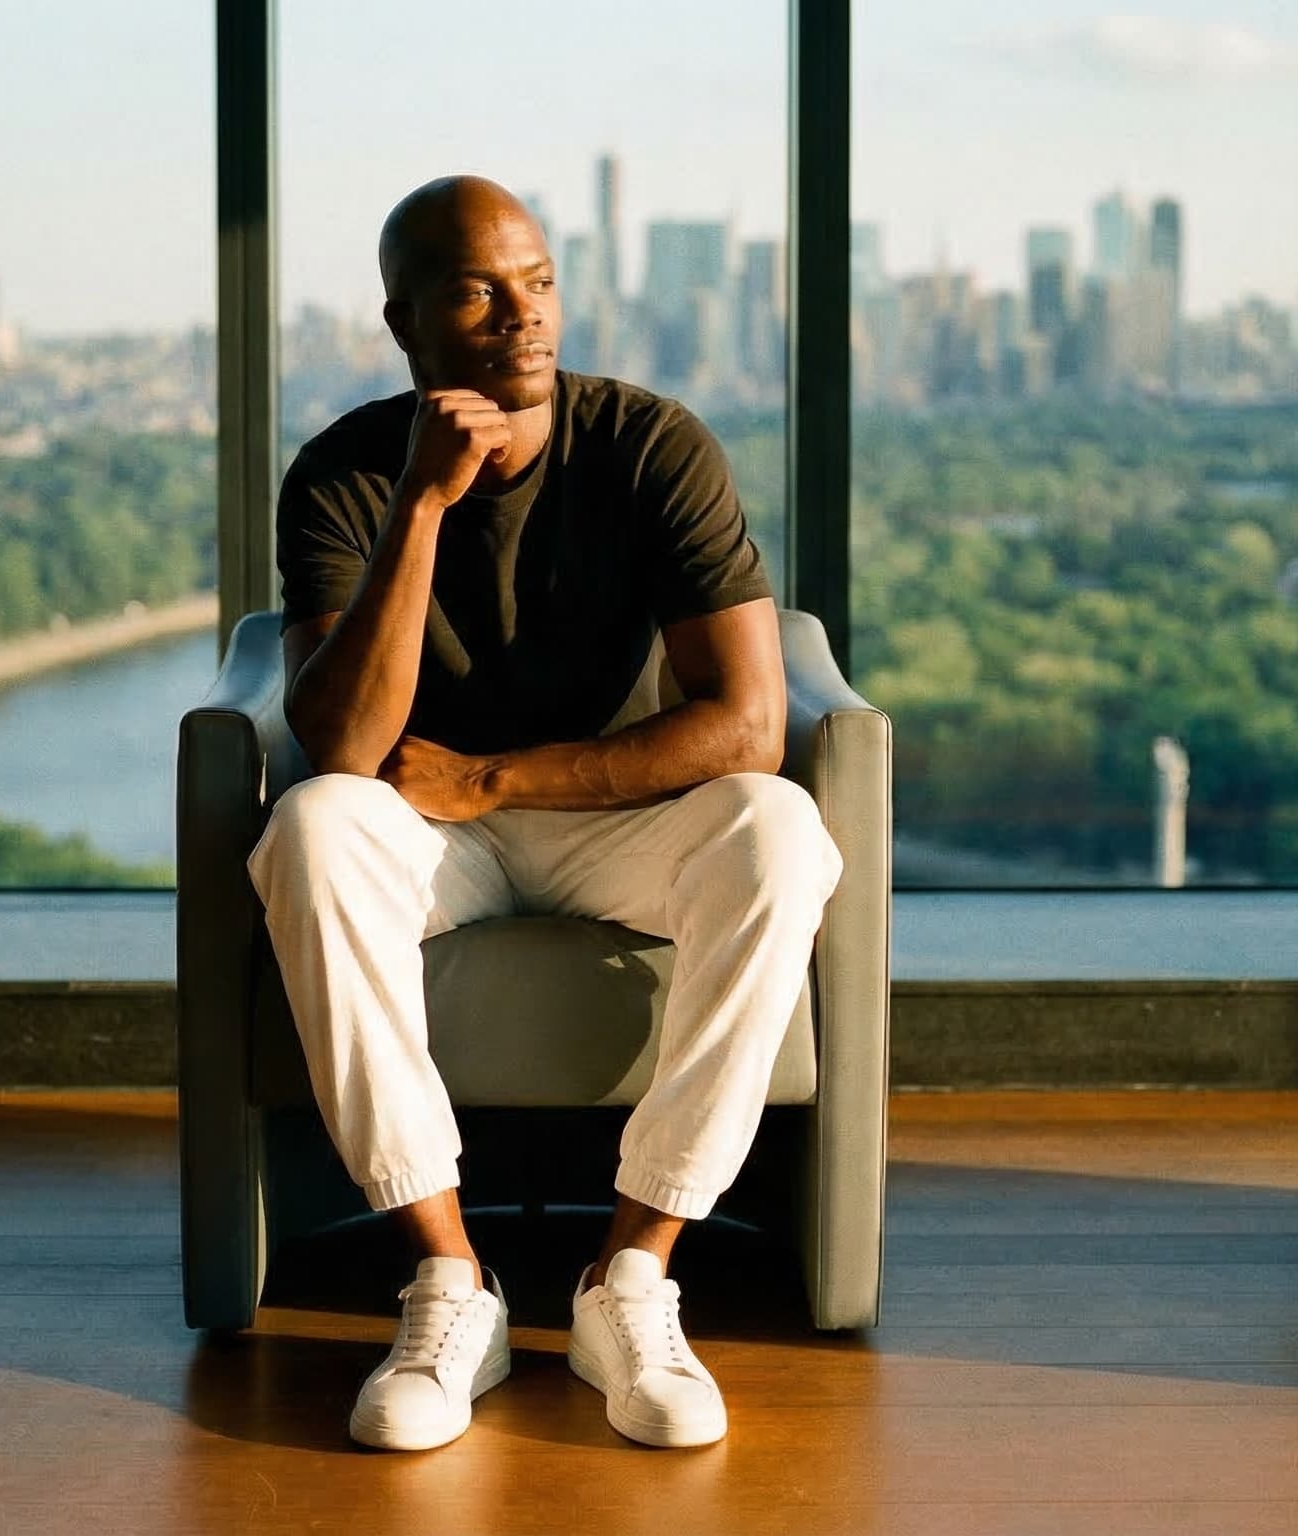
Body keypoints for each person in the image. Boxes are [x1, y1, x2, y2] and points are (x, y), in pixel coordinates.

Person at [249, 174, 842, 1452]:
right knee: (308, 832)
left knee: (781, 829)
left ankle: (626, 1280)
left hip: (590, 811)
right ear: (405, 322)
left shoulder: (649, 443)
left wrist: (498, 779)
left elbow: (746, 724)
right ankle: (447, 1286)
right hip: (423, 828)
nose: (523, 314)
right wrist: (422, 500)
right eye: (477, 288)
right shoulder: (344, 475)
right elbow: (344, 745)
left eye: (539, 282)